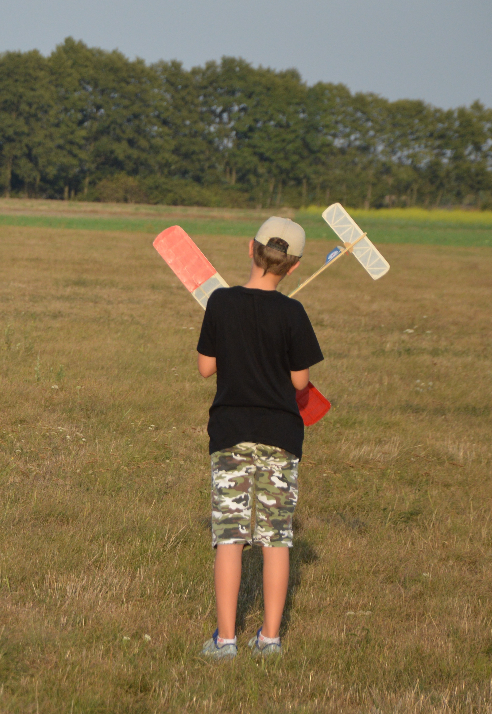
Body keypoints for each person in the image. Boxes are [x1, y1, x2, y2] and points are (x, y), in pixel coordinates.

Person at [195, 216, 324, 659]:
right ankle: (269, 639)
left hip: (230, 433)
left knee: (230, 536)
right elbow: (301, 382)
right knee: (276, 539)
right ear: (295, 266)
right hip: (280, 436)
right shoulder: (293, 312)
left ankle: (225, 640)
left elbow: (205, 367)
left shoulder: (221, 302)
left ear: (249, 249)